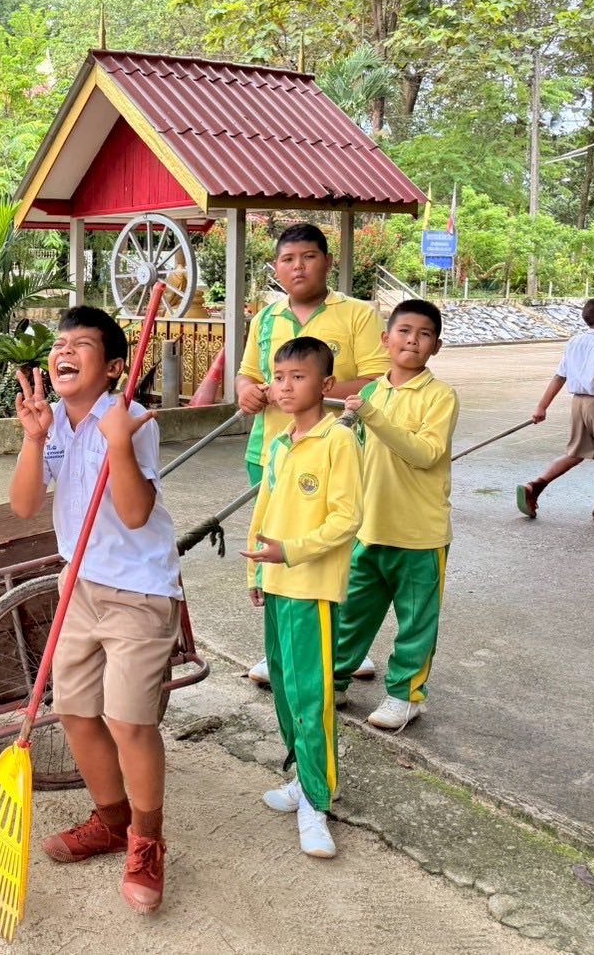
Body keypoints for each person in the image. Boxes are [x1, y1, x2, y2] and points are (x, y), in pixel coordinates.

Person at [9, 306, 183, 915]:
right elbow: (26, 506)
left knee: (130, 720)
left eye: (81, 344)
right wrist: (33, 441)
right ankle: (111, 820)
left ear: (112, 367)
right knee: (78, 714)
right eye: (60, 343)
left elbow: (135, 514)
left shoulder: (130, 419)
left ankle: (147, 841)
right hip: (78, 583)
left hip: (138, 590)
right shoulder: (51, 420)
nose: (65, 351)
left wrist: (118, 446)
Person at [237, 223, 388, 686]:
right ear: (277, 268)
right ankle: (280, 652)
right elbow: (246, 374)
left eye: (307, 257)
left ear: (326, 260)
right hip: (271, 450)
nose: (297, 267)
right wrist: (247, 392)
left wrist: (309, 391)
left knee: (336, 551)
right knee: (273, 552)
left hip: (331, 449)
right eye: (287, 259)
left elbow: (380, 380)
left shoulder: (358, 314)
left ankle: (337, 649)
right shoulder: (266, 318)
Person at [241, 336, 361, 858]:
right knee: (287, 692)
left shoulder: (338, 441)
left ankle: (318, 800)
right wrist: (254, 569)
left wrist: (290, 551)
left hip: (310, 587)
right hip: (276, 581)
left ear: (325, 385)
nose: (285, 387)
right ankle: (301, 777)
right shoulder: (279, 442)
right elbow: (264, 506)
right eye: (279, 377)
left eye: (299, 377)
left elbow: (346, 520)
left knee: (312, 698)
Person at [334, 300, 458, 731]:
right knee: (352, 611)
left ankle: (406, 696)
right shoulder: (371, 392)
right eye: (404, 330)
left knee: (416, 622)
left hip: (420, 534)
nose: (412, 340)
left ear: (436, 346)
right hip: (370, 527)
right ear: (386, 340)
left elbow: (425, 454)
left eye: (424, 334)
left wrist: (371, 416)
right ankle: (336, 678)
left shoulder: (439, 396)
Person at [517, 298, 594, 524]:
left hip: (578, 403)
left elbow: (560, 376)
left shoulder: (574, 342)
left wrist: (542, 406)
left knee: (576, 454)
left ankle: (535, 486)